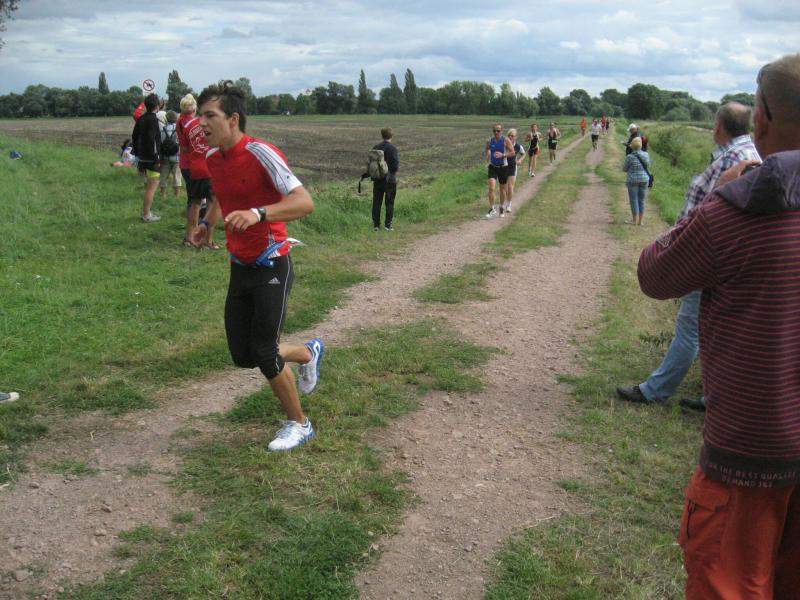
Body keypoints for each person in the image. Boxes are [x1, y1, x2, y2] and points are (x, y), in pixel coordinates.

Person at [637, 54, 800, 599]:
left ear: (762, 118)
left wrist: (713, 200)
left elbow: (655, 274)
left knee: (730, 584)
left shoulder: (739, 210)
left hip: (752, 450)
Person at [191, 80, 325, 452]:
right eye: (200, 115)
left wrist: (259, 213)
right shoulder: (213, 158)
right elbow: (223, 194)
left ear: (233, 119)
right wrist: (207, 224)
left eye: (209, 115)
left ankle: (300, 424)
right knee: (243, 354)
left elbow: (304, 202)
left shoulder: (261, 153)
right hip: (240, 264)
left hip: (272, 262)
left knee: (264, 351)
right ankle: (308, 353)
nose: (201, 123)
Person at [616, 102, 760, 410]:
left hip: (707, 254)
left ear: (718, 126)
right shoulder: (748, 153)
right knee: (715, 328)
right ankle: (715, 397)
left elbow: (717, 211)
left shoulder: (732, 159)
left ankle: (655, 391)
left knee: (689, 327)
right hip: (725, 255)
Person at [177, 93, 219, 249]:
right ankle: (208, 240)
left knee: (194, 203)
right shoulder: (212, 124)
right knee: (212, 204)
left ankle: (189, 238)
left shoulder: (188, 126)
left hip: (195, 168)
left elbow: (184, 148)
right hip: (211, 168)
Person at [131, 93, 162, 222]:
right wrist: (156, 157)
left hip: (142, 157)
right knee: (152, 187)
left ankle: (146, 211)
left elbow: (134, 136)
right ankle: (146, 214)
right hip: (152, 159)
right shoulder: (153, 120)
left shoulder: (141, 119)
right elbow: (152, 140)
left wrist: (137, 153)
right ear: (157, 106)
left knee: (148, 186)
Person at [371, 127, 399, 231]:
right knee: (389, 202)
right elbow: (395, 166)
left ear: (382, 135)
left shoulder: (376, 147)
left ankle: (376, 225)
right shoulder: (392, 148)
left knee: (376, 202)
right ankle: (388, 225)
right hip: (389, 180)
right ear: (392, 135)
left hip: (377, 179)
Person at [484, 124, 514, 218]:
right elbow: (487, 149)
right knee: (491, 188)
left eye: (498, 131)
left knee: (502, 190)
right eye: (494, 131)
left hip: (503, 167)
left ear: (502, 131)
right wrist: (488, 155)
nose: (496, 132)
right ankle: (492, 208)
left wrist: (503, 155)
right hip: (493, 166)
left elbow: (512, 152)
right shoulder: (490, 140)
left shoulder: (506, 140)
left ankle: (501, 207)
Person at [622, 136, 650, 225]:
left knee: (633, 199)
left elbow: (624, 169)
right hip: (644, 179)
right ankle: (640, 221)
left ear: (632, 146)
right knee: (642, 200)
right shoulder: (646, 154)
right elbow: (648, 165)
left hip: (632, 180)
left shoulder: (629, 157)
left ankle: (634, 220)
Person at [159, 110, 182, 199]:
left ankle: (163, 195)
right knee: (177, 176)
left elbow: (161, 143)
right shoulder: (179, 129)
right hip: (177, 157)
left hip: (166, 157)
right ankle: (177, 196)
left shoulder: (162, 130)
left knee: (163, 176)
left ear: (166, 118)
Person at [503, 128, 525, 214]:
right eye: (509, 135)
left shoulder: (518, 146)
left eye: (512, 136)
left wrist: (520, 160)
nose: (510, 137)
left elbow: (523, 154)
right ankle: (508, 199)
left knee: (510, 186)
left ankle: (509, 204)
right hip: (503, 167)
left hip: (512, 166)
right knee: (505, 187)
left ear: (516, 137)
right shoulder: (504, 145)